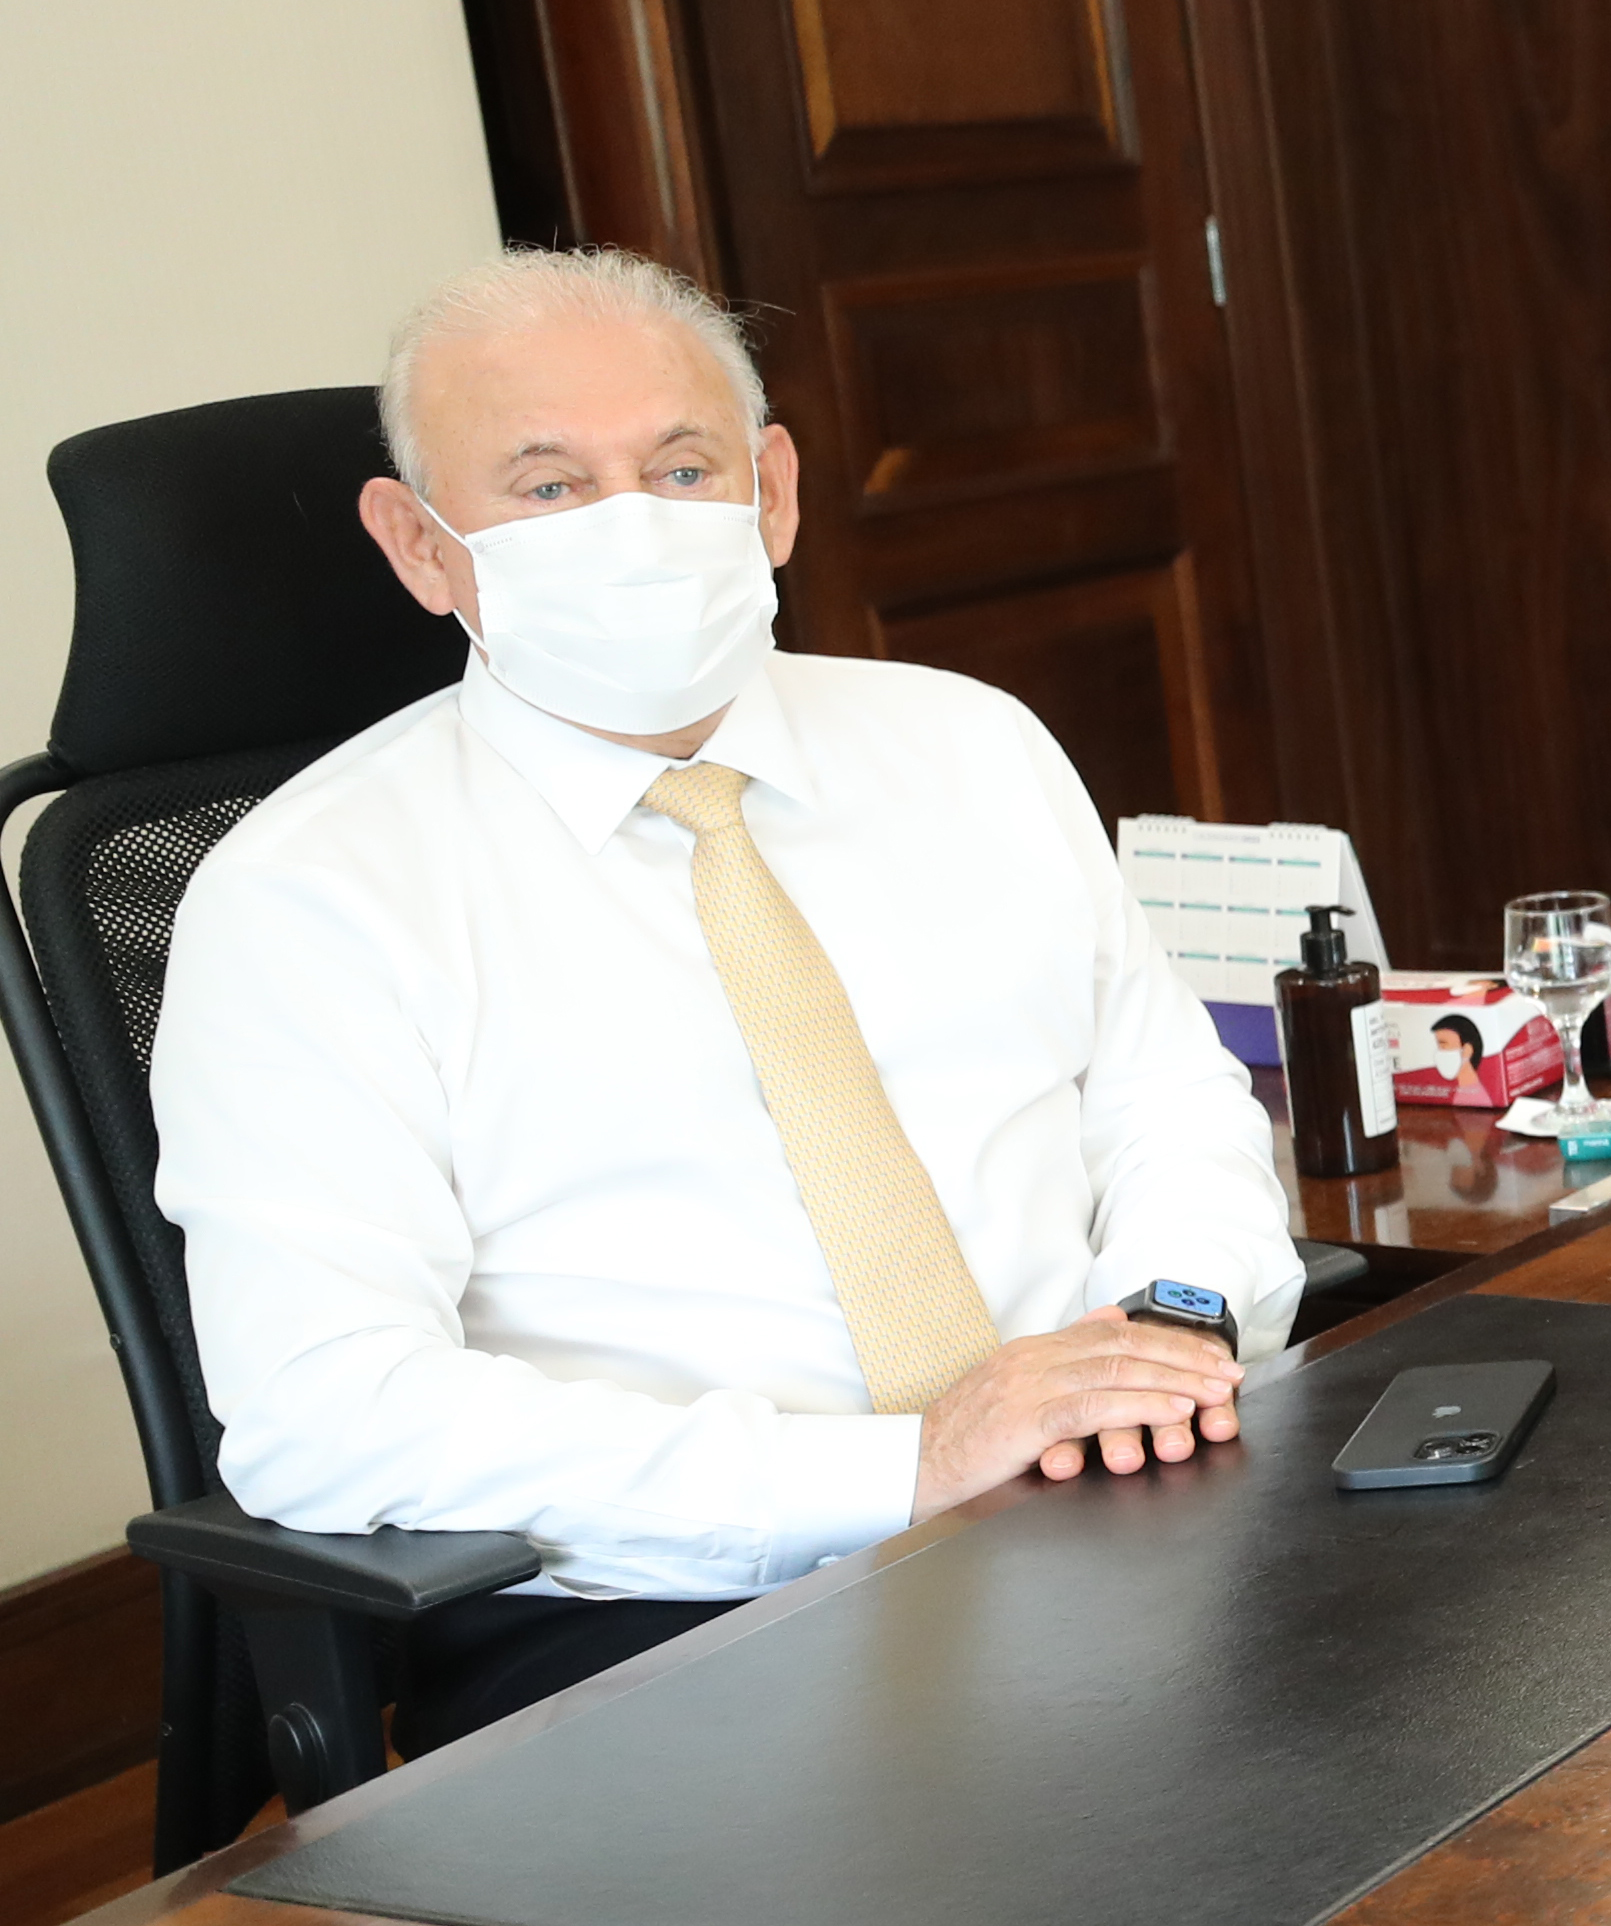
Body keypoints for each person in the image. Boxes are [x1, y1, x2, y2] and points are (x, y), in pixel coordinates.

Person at [152, 247, 1305, 1759]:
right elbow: (329, 1409)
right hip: (675, 1618)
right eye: (551, 487)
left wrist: (1168, 1328)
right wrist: (909, 1466)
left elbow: (1167, 1105)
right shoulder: (307, 898)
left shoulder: (972, 745)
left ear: (772, 493)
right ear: (421, 547)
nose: (632, 524)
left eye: (681, 467)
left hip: (1126, 1496)